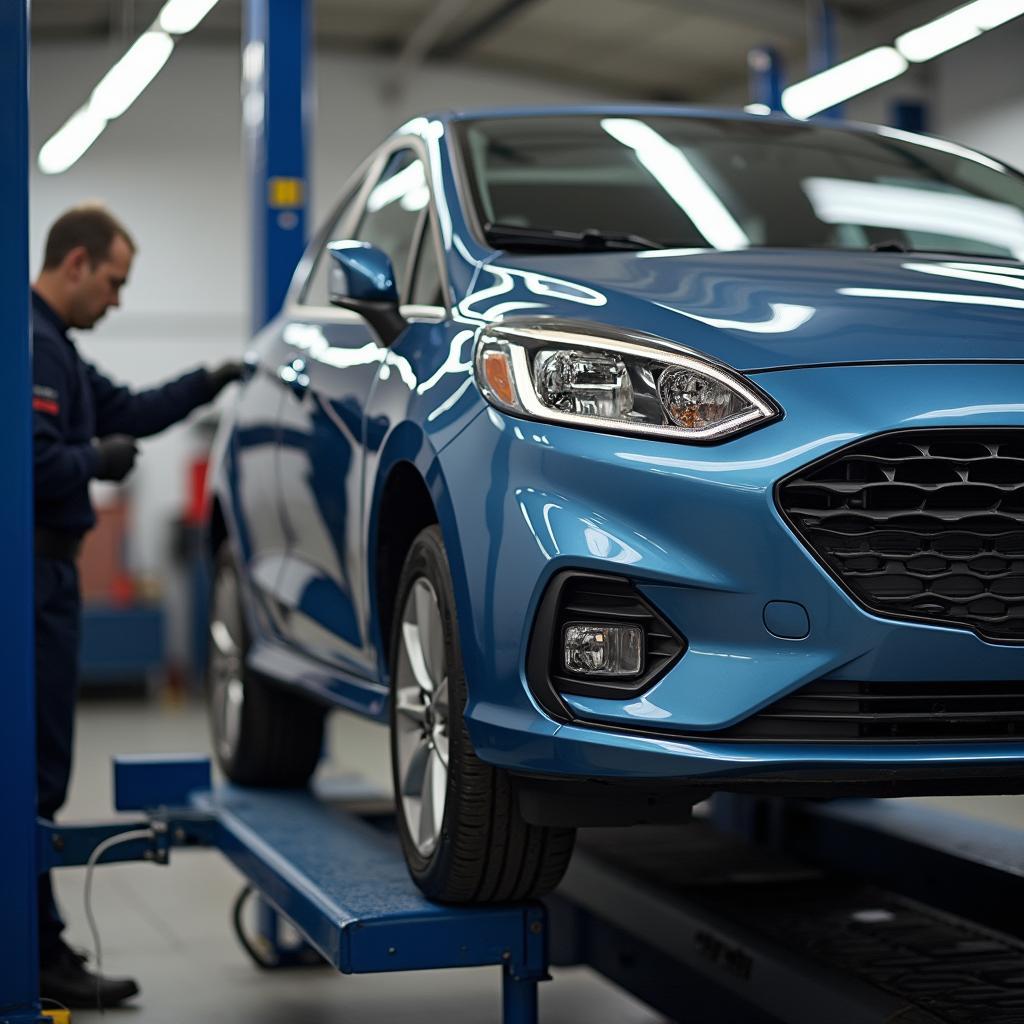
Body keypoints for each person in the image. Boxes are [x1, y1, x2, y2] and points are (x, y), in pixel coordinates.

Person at [32, 203, 242, 1007]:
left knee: (35, 773)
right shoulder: (34, 346)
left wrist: (210, 380)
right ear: (76, 262)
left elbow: (132, 409)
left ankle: (34, 942)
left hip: (49, 579)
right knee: (36, 776)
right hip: (35, 582)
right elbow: (37, 460)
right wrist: (97, 459)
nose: (117, 301)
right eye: (114, 282)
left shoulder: (59, 350)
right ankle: (37, 954)